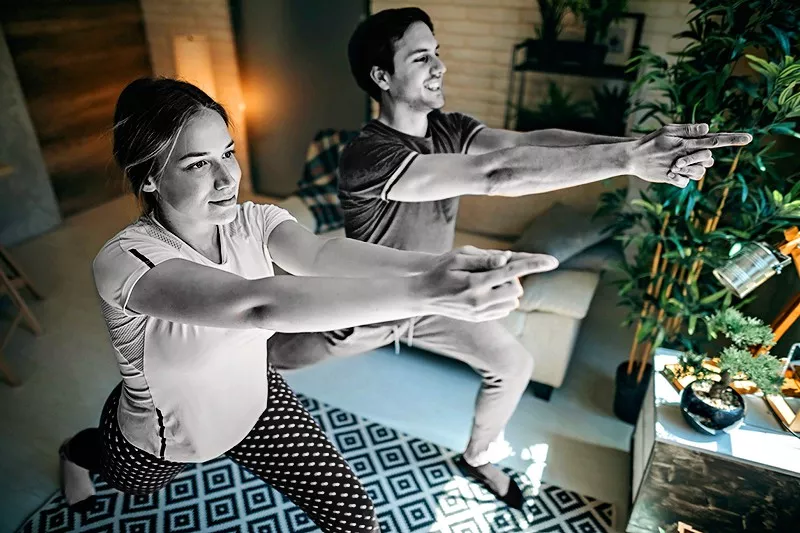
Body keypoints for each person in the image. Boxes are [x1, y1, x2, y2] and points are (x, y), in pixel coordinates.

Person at [267, 6, 753, 510]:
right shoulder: (368, 154)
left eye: (438, 54)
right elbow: (494, 175)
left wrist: (640, 147)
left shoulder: (450, 128)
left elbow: (532, 144)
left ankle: (477, 456)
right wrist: (630, 162)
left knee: (513, 362)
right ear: (382, 77)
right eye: (421, 58)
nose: (439, 67)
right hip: (366, 307)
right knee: (268, 358)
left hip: (436, 297)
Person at [57, 77, 560, 533]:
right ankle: (73, 454)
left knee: (355, 517)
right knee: (125, 477)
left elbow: (322, 253)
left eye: (227, 153)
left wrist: (433, 267)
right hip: (166, 432)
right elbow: (256, 306)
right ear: (148, 178)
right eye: (197, 164)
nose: (226, 178)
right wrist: (428, 294)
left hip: (257, 400)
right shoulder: (125, 261)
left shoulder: (250, 219)